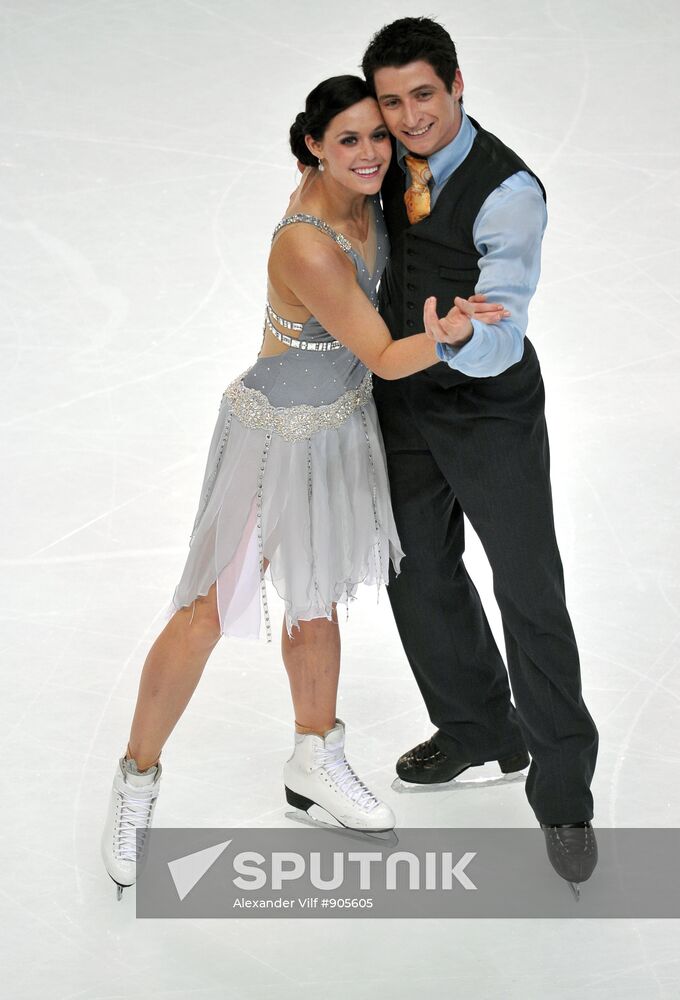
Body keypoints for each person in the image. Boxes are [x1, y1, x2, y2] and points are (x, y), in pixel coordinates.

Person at [100, 74, 509, 899]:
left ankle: (313, 756)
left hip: (341, 425)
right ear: (311, 147)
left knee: (315, 601)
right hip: (276, 435)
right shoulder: (307, 243)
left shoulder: (377, 189)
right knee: (209, 609)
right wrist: (455, 331)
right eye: (348, 139)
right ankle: (135, 781)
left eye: (377, 136)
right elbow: (390, 355)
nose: (370, 153)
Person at [360, 17, 599, 893]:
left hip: (487, 403)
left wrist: (460, 334)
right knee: (415, 571)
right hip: (403, 399)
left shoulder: (509, 192)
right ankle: (478, 729)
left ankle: (564, 790)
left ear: (458, 85)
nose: (410, 116)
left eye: (424, 94)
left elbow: (504, 328)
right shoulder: (385, 165)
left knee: (527, 585)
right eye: (393, 101)